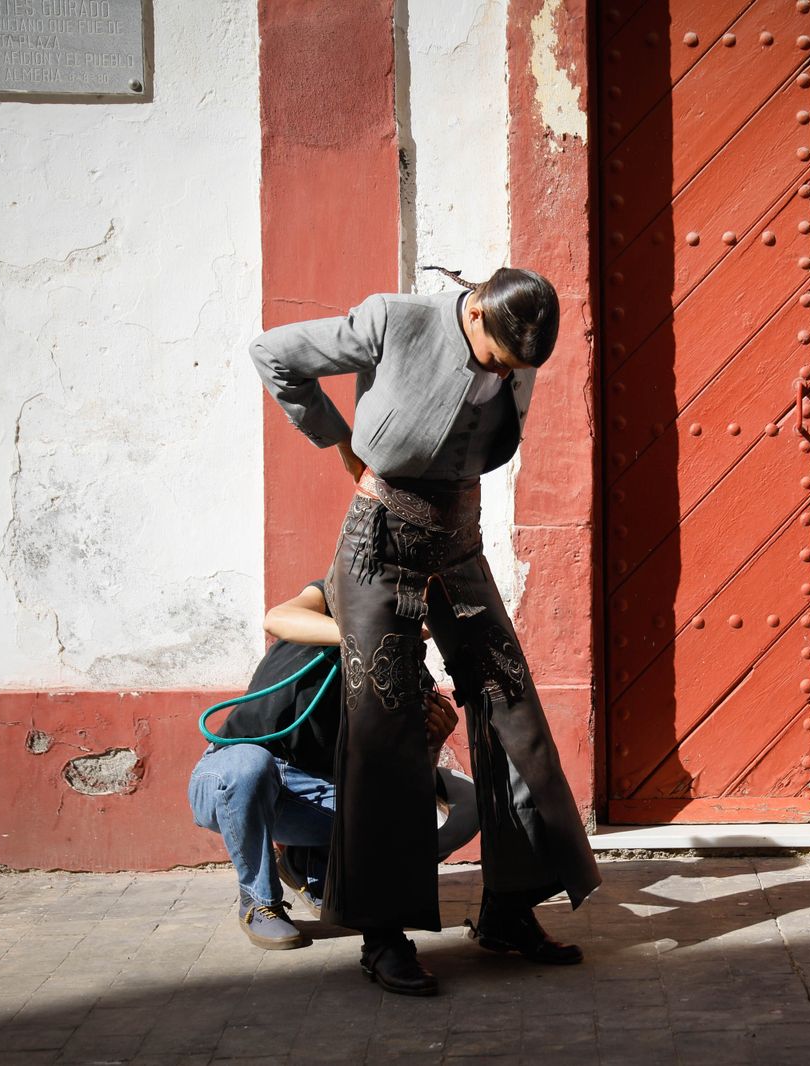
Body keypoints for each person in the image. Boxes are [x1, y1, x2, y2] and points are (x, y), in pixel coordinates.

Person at [251, 267, 601, 997]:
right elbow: (274, 351)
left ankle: (509, 909)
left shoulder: (519, 348)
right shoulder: (392, 319)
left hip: (460, 544)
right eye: (501, 361)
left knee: (514, 712)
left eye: (518, 370)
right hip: (376, 548)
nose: (508, 376)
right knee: (387, 731)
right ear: (475, 313)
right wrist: (341, 445)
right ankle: (383, 936)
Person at [188, 580, 477, 953]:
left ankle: (311, 866)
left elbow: (401, 776)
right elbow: (277, 617)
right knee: (250, 766)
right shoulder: (328, 603)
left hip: (316, 791)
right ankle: (258, 901)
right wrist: (367, 636)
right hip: (235, 775)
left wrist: (433, 744)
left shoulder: (411, 674)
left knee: (462, 804)